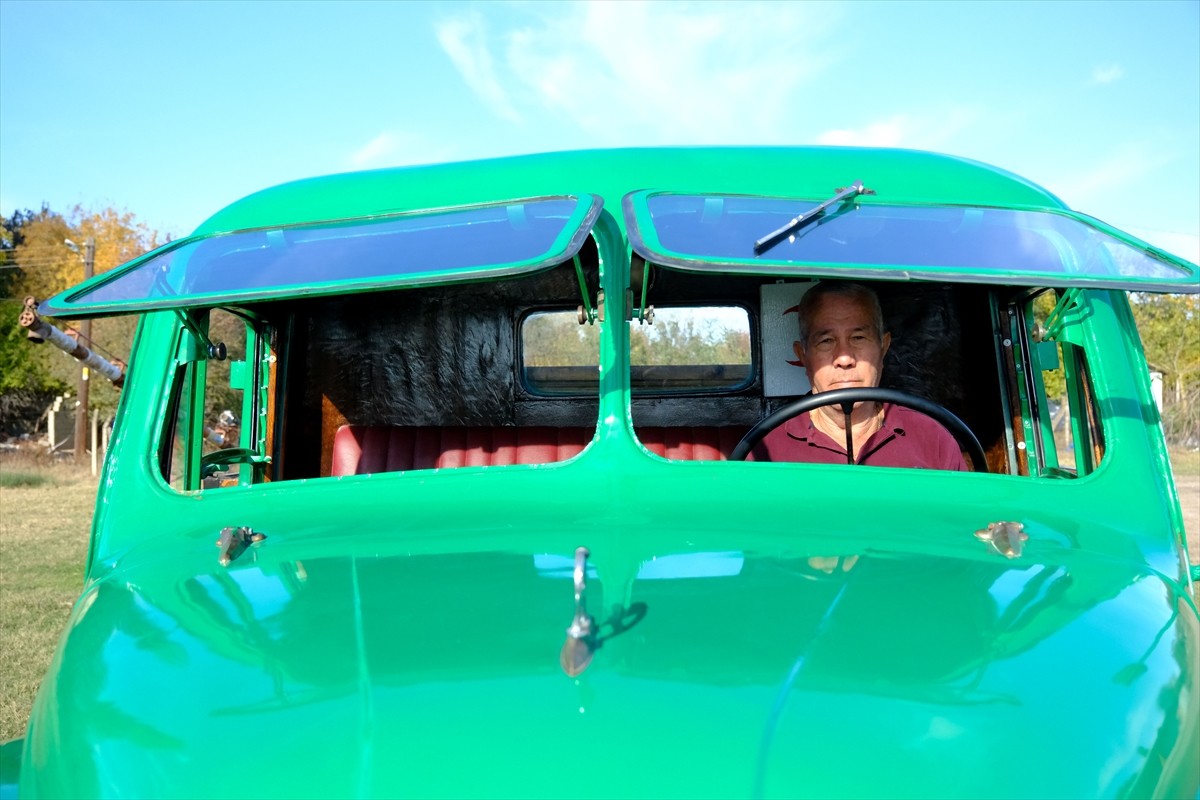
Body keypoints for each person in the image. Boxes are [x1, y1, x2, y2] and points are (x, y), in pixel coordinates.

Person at [751, 280, 968, 470]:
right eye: (826, 341)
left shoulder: (933, 438)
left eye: (858, 338)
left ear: (883, 347)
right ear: (803, 356)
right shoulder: (766, 448)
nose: (844, 358)